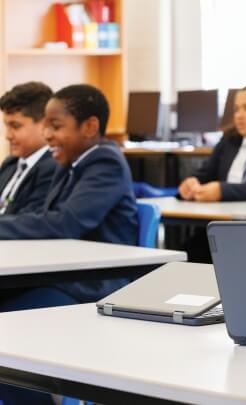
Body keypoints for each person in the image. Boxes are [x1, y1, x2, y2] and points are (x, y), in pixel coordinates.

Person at [0, 84, 139, 405]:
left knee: (7, 328)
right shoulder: (69, 163)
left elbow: (65, 223)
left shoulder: (105, 162)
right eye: (46, 125)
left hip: (94, 285)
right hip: (64, 277)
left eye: (56, 126)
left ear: (90, 127)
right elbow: (46, 219)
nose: (47, 134)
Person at [0, 82, 57, 215]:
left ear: (45, 124)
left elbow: (29, 219)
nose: (8, 136)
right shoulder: (10, 163)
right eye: (6, 126)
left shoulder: (54, 168)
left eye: (15, 126)